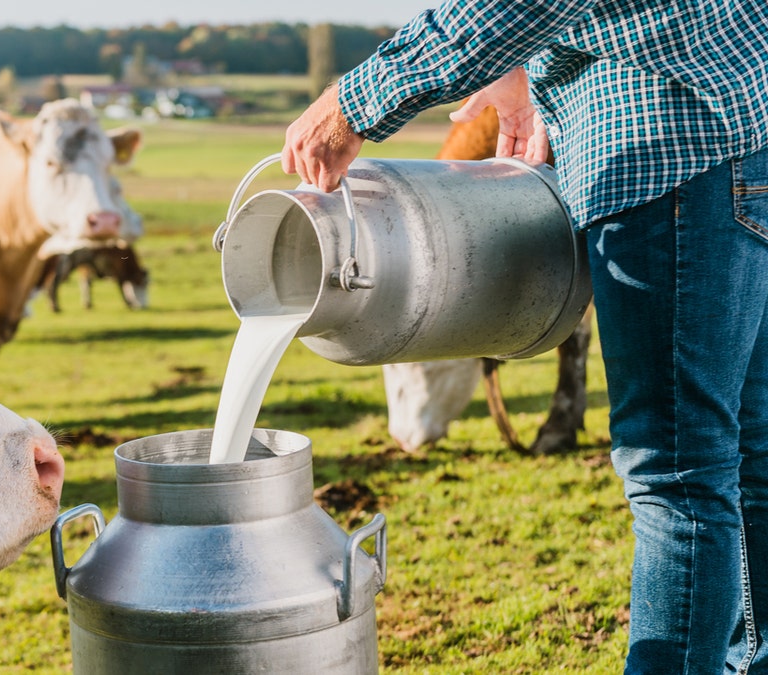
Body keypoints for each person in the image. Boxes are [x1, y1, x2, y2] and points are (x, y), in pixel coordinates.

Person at [281, 2, 768, 673]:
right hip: (735, 137)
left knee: (677, 466)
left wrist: (352, 104)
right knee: (744, 448)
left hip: (668, 142)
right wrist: (521, 64)